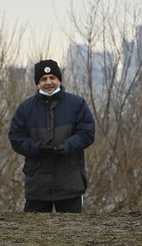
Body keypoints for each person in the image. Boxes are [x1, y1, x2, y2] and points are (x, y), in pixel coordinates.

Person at [7, 59, 96, 213]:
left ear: (59, 79)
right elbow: (16, 138)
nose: (48, 82)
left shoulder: (77, 104)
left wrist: (67, 146)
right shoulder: (25, 108)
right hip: (37, 185)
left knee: (71, 233)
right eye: (43, 79)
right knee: (34, 233)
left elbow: (87, 133)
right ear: (38, 83)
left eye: (52, 78)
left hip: (70, 183)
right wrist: (38, 148)